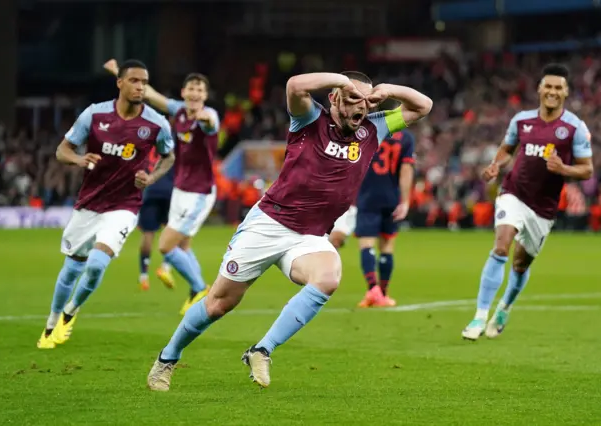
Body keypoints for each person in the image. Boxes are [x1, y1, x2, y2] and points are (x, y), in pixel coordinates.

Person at [146, 71, 433, 391]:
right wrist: (340, 80)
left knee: (328, 277)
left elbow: (423, 106)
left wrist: (387, 90)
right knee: (218, 304)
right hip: (269, 224)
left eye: (366, 102)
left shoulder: (373, 128)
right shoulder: (310, 118)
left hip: (310, 236)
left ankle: (261, 350)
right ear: (335, 97)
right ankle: (167, 359)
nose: (361, 107)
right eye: (353, 98)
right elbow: (295, 85)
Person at [37, 59, 175, 349]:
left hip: (124, 207)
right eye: (135, 80)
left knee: (98, 264)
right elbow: (63, 150)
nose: (140, 86)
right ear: (120, 83)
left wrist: (151, 177)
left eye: (144, 82)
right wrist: (79, 159)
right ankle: (51, 324)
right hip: (88, 204)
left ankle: (70, 312)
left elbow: (169, 157)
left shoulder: (156, 123)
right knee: (71, 269)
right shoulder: (95, 114)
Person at [462, 64, 593, 341]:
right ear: (539, 89)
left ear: (566, 92)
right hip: (514, 192)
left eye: (558, 87)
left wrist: (564, 170)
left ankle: (505, 307)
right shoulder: (521, 120)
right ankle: (479, 316)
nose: (552, 92)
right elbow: (507, 149)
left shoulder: (574, 127)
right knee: (501, 245)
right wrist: (496, 165)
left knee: (521, 264)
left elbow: (587, 169)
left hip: (543, 208)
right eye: (548, 86)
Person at [105, 59, 219, 314]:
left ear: (205, 95)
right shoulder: (178, 111)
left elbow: (211, 122)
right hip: (180, 189)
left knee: (166, 246)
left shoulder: (208, 117)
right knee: (183, 246)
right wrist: (117, 72)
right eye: (191, 88)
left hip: (200, 193)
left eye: (200, 90)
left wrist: (205, 117)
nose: (195, 93)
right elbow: (151, 94)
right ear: (183, 92)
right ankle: (197, 293)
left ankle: (201, 288)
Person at [355, 127, 415, 308]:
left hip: (367, 194)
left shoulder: (364, 131)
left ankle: (373, 290)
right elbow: (406, 170)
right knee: (387, 246)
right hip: (391, 196)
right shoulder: (405, 136)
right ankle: (383, 293)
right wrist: (405, 201)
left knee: (366, 244)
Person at [136, 150, 175, 291]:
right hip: (170, 190)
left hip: (150, 190)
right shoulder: (173, 139)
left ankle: (144, 276)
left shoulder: (146, 138)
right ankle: (165, 267)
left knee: (148, 234)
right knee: (174, 230)